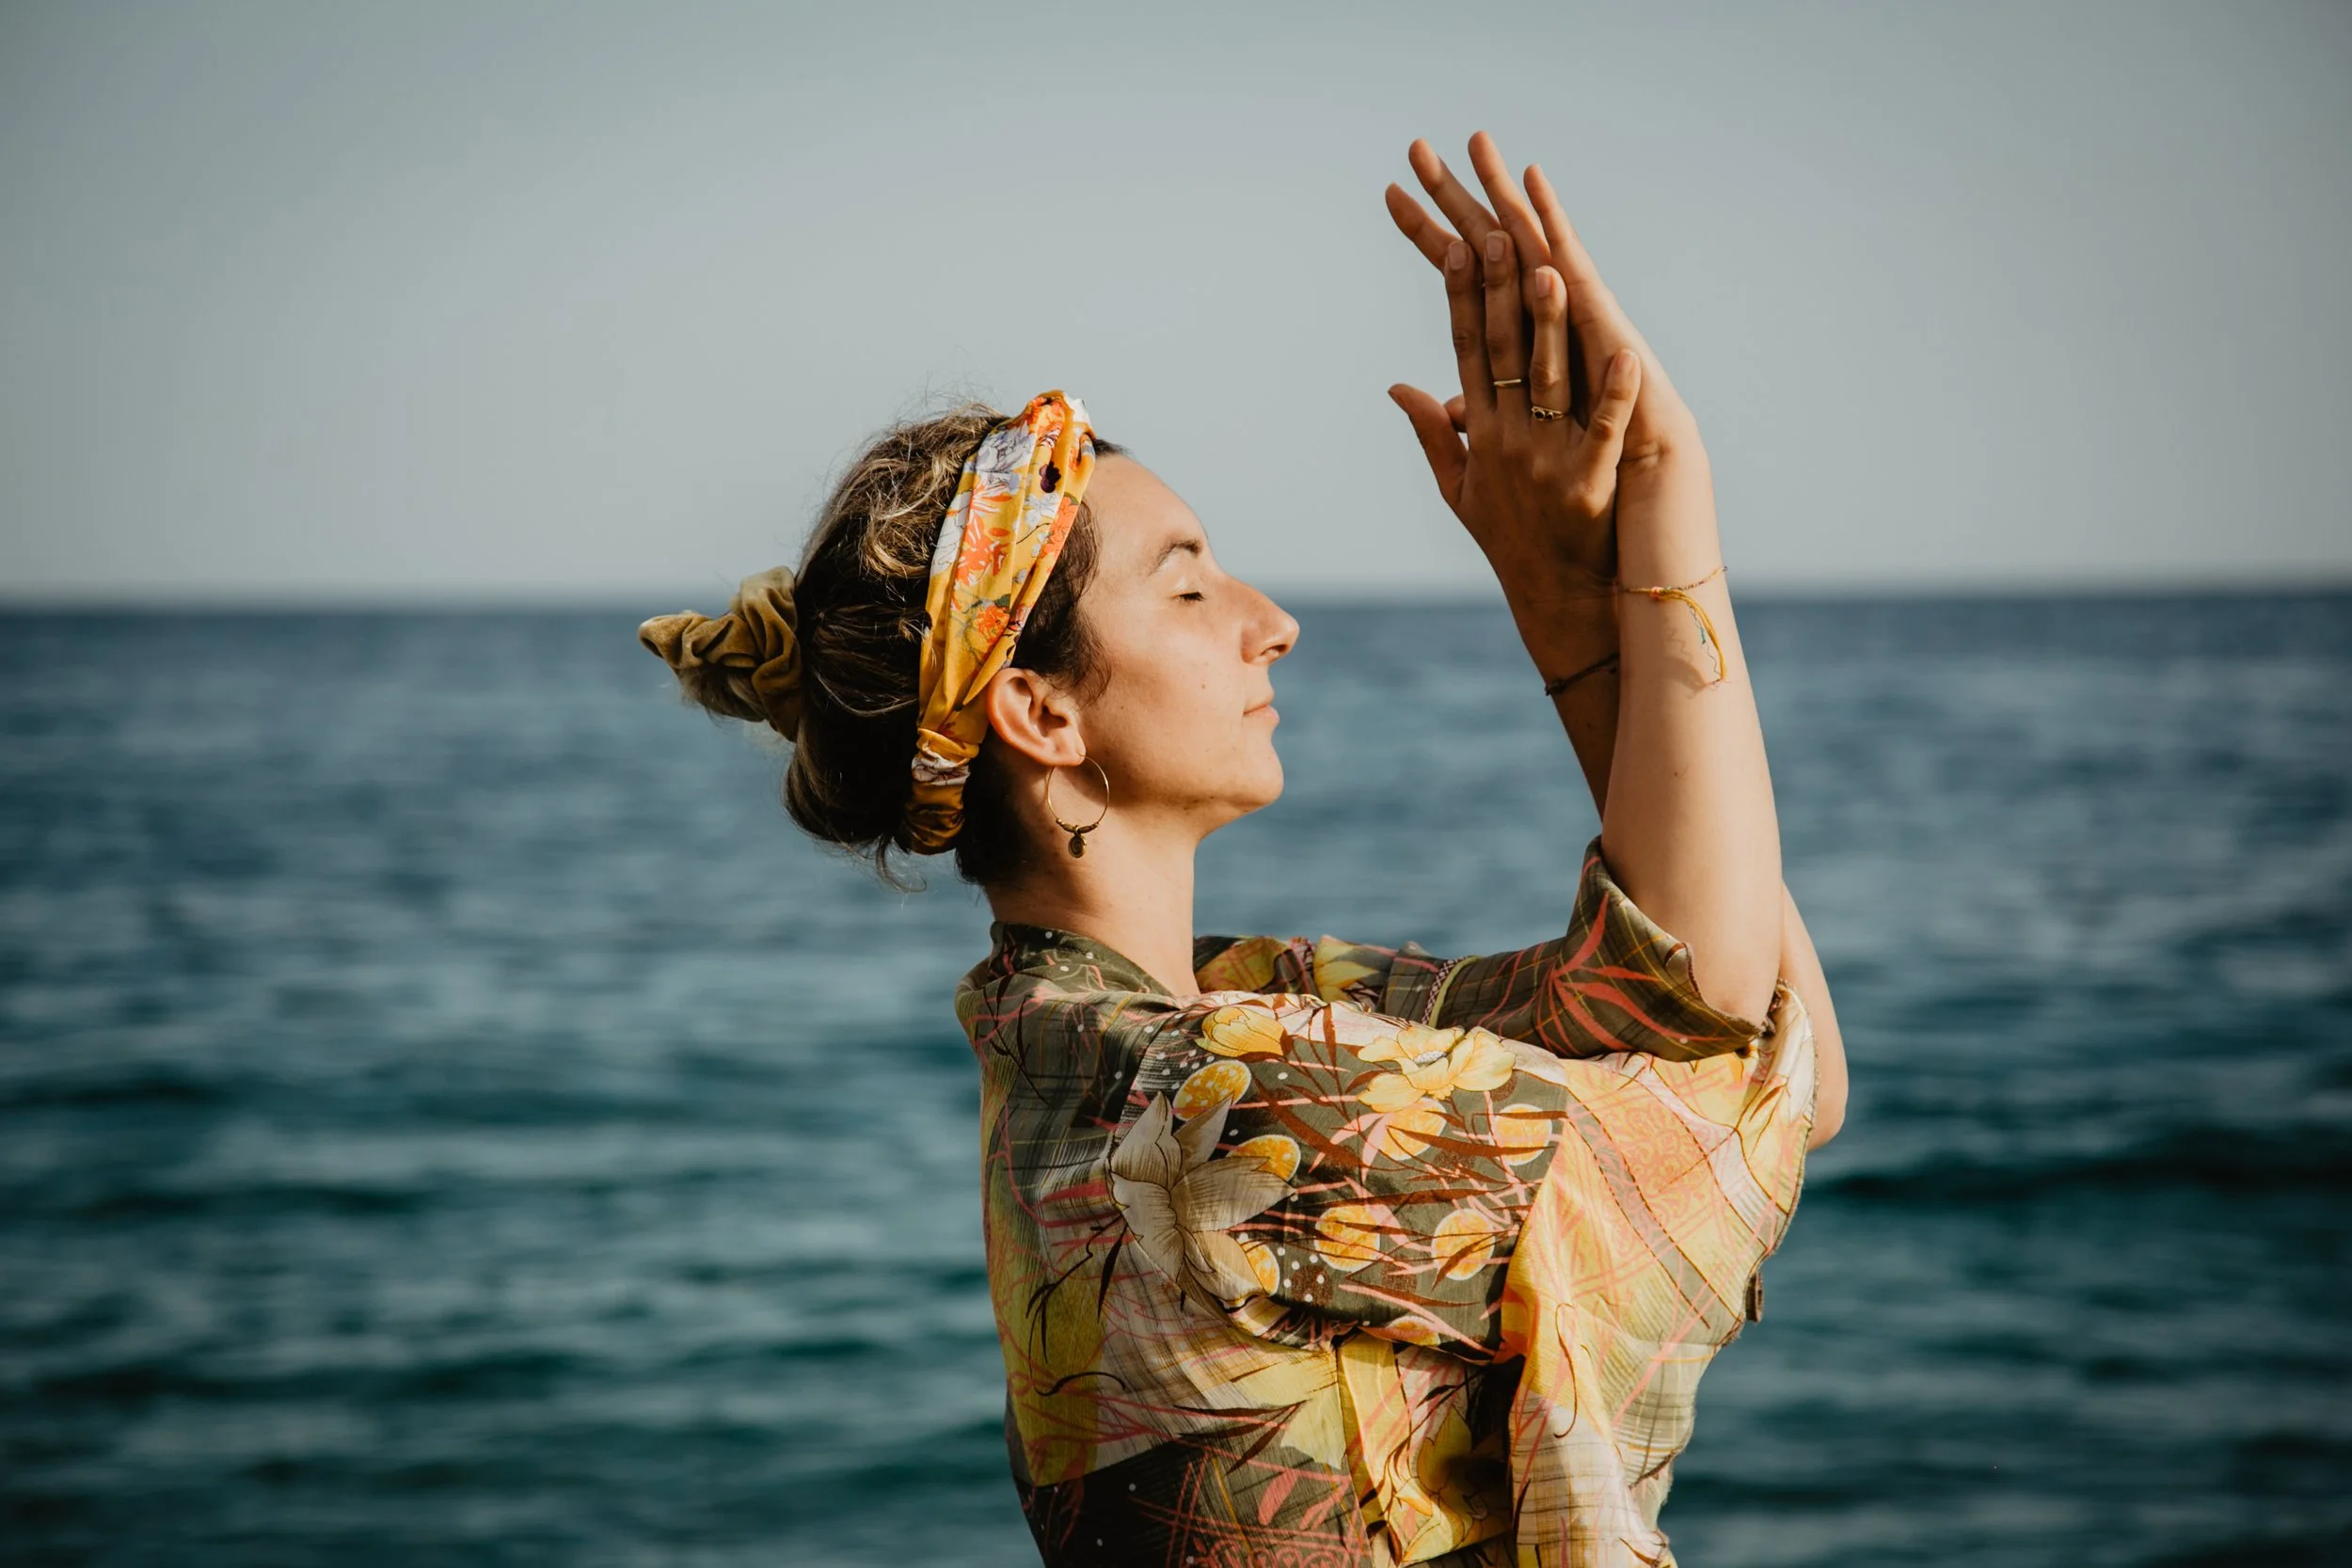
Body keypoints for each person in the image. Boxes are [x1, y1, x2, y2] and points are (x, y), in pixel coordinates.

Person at [640, 132, 1848, 1568]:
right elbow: (1725, 1056)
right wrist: (1656, 502)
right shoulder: (1210, 1093)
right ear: (1041, 711)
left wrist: (1581, 625)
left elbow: (1749, 1037)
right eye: (1188, 585)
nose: (1269, 621)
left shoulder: (1159, 1028)